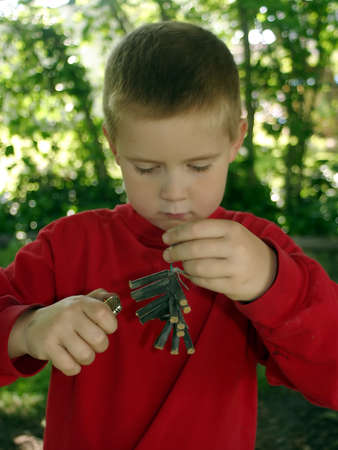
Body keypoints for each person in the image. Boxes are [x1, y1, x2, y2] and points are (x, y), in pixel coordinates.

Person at [0, 21, 337, 450]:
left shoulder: (257, 252)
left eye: (199, 166)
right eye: (146, 168)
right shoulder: (67, 247)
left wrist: (273, 284)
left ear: (237, 137)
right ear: (114, 144)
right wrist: (26, 329)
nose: (174, 193)